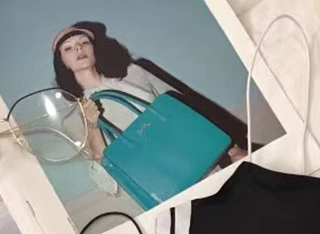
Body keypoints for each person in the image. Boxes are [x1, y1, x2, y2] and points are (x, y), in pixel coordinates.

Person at [51, 22, 251, 169]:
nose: (79, 48)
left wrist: (232, 149)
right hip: (160, 175)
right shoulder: (74, 117)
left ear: (94, 49)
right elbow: (103, 165)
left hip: (194, 151)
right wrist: (93, 127)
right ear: (63, 62)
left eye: (84, 42)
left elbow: (186, 108)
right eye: (68, 48)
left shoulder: (133, 72)